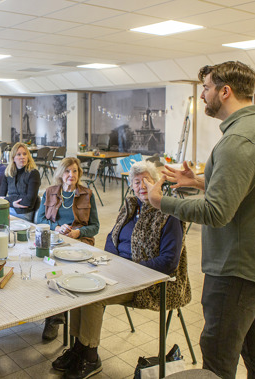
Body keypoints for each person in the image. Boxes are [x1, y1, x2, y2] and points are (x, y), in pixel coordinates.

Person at [145, 61, 255, 379]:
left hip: (234, 271)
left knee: (218, 362)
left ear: (225, 91)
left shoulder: (236, 142)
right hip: (248, 267)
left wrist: (160, 201)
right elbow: (243, 189)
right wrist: (199, 182)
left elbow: (217, 212)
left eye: (206, 88)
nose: (203, 95)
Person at [53, 161, 191, 379]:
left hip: (149, 281)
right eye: (137, 182)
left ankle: (90, 356)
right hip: (118, 273)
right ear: (132, 186)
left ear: (158, 184)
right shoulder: (131, 207)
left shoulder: (169, 213)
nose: (142, 186)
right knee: (79, 282)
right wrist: (113, 265)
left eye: (147, 180)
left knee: (94, 295)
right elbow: (111, 239)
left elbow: (168, 263)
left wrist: (128, 269)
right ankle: (78, 347)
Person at [36, 157, 100, 341]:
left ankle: (55, 317)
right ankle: (52, 310)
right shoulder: (50, 192)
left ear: (79, 173)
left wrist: (78, 233)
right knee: (45, 266)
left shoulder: (87, 194)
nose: (71, 175)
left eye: (74, 171)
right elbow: (39, 219)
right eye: (67, 171)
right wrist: (56, 228)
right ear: (60, 173)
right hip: (53, 240)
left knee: (62, 269)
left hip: (79, 244)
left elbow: (95, 226)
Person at [0, 142, 40, 222]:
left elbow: (29, 201)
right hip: (8, 209)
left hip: (23, 213)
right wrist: (12, 203)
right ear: (13, 158)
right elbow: (0, 197)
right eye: (18, 154)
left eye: (25, 154)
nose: (22, 157)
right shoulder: (8, 172)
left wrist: (7, 199)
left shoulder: (33, 173)